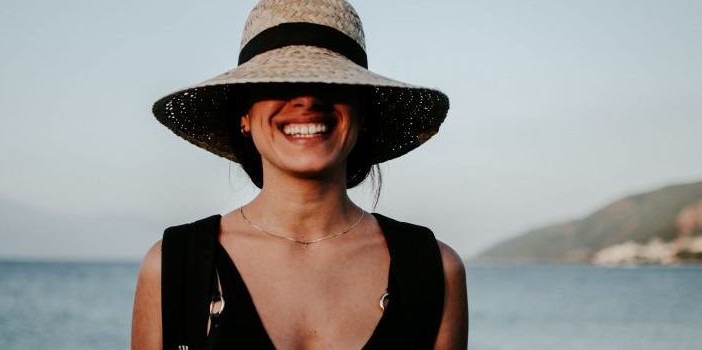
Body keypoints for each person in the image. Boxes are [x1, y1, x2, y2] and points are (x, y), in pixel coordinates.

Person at [131, 0, 468, 349]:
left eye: (331, 82)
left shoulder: (435, 271)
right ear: (243, 114)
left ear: (361, 111)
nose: (306, 99)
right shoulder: (172, 267)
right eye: (278, 80)